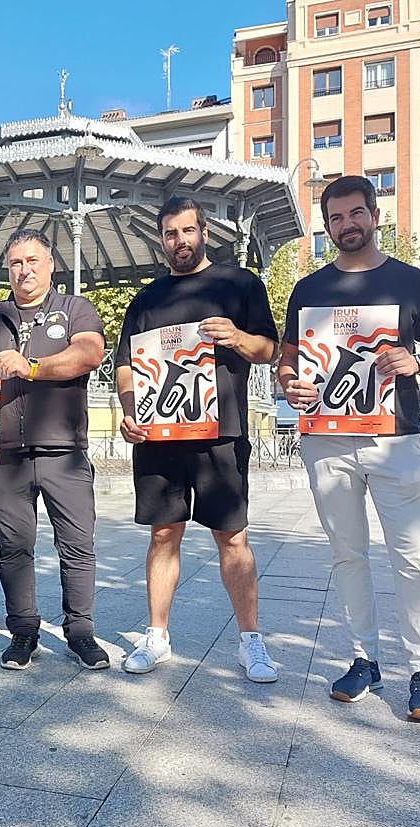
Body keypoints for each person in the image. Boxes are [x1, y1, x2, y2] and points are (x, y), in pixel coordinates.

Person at [278, 175, 420, 722]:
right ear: (326, 226)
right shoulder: (307, 291)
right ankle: (364, 659)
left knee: (412, 557)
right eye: (335, 218)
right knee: (348, 554)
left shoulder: (412, 281)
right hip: (326, 439)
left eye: (356, 214)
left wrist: (417, 362)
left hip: (394, 437)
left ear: (375, 215)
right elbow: (286, 362)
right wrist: (291, 385)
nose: (346, 225)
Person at [114, 196, 280, 683]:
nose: (179, 241)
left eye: (187, 231)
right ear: (161, 239)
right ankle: (158, 636)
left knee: (233, 537)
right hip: (158, 435)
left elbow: (270, 349)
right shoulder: (146, 299)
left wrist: (235, 337)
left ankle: (252, 642)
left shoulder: (239, 283)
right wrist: (128, 409)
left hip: (221, 434)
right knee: (163, 534)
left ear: (205, 232)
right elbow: (125, 364)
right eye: (169, 233)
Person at [0, 228, 109, 670]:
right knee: (14, 547)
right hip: (5, 455)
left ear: (51, 266)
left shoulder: (75, 309)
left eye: (32, 261)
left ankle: (80, 632)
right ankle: (22, 632)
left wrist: (33, 366)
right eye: (15, 263)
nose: (23, 270)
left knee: (78, 546)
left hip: (63, 450)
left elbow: (89, 354)